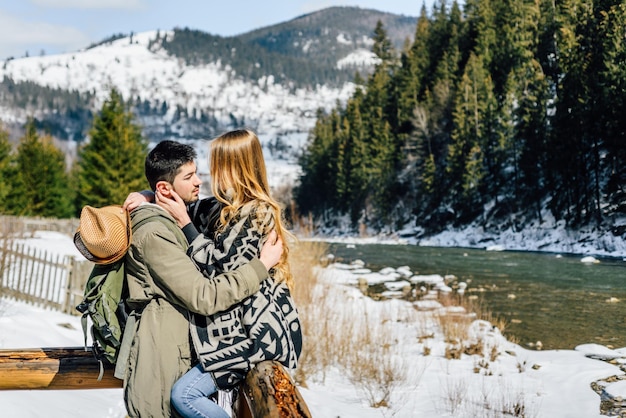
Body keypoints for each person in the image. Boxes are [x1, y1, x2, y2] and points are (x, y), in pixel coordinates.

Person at [126, 130, 301, 418]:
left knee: (185, 395)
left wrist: (184, 222)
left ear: (236, 166)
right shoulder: (225, 208)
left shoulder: (257, 215)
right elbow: (188, 204)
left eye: (218, 163)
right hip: (240, 333)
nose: (208, 175)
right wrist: (151, 195)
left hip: (256, 335)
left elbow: (219, 270)